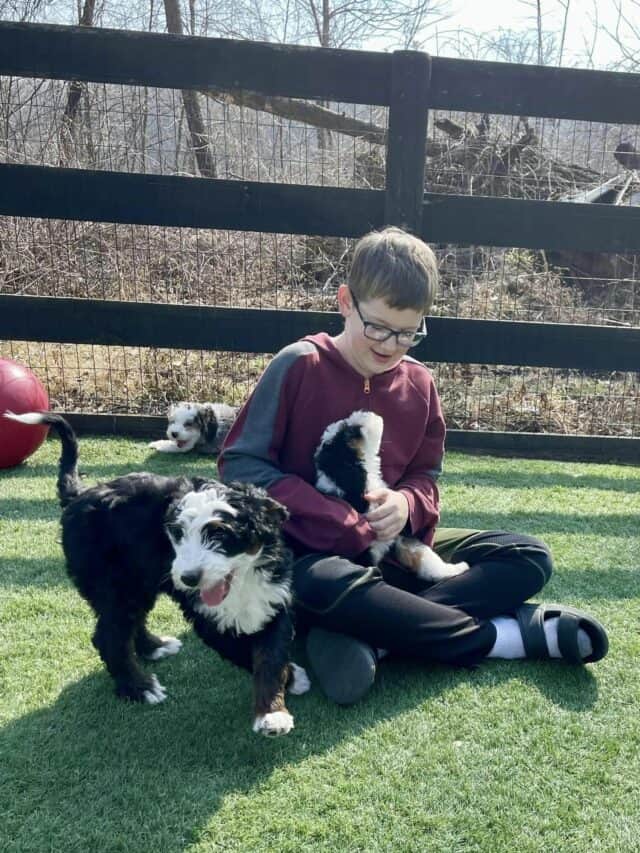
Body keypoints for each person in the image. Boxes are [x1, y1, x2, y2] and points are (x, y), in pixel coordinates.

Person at [218, 226, 608, 705]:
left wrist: (405, 504)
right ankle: (505, 639)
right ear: (345, 301)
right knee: (321, 584)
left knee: (528, 556)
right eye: (378, 326)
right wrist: (336, 519)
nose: (388, 345)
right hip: (311, 557)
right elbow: (241, 465)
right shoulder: (300, 364)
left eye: (407, 333)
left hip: (396, 551)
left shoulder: (420, 383)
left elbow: (427, 477)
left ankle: (376, 637)